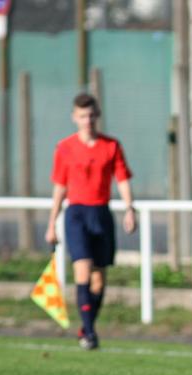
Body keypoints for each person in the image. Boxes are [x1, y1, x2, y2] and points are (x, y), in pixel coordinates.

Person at [44, 93, 136, 350]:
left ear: (98, 115)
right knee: (82, 269)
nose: (88, 120)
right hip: (76, 214)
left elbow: (123, 180)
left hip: (101, 214)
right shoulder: (65, 147)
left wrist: (130, 209)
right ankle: (90, 334)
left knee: (99, 280)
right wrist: (52, 223)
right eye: (83, 116)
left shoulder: (111, 146)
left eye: (92, 115)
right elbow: (60, 187)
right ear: (75, 118)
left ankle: (86, 326)